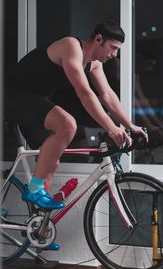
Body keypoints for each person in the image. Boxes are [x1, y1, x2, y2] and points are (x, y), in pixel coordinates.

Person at [5, 19, 147, 213]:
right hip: (13, 94)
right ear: (98, 39)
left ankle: (40, 230)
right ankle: (34, 191)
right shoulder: (70, 47)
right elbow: (84, 92)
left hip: (34, 101)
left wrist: (130, 125)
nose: (114, 55)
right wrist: (111, 128)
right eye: (113, 48)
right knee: (67, 125)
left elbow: (107, 96)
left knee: (50, 163)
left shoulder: (95, 64)